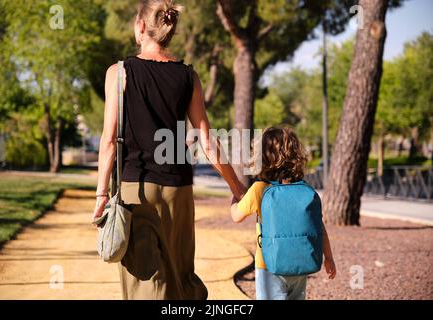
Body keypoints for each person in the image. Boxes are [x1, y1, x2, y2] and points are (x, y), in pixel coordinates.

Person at [92, 0, 246, 300]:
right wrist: (236, 185)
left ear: (140, 27)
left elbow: (108, 140)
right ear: (168, 30)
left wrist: (101, 195)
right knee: (180, 274)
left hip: (136, 190)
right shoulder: (188, 76)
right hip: (179, 189)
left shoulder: (119, 73)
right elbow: (207, 141)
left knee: (144, 279)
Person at [230, 127, 336, 300]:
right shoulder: (304, 190)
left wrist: (235, 200)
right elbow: (319, 227)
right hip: (300, 264)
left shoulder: (260, 189)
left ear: (260, 158)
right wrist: (329, 257)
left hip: (269, 266)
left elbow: (236, 216)